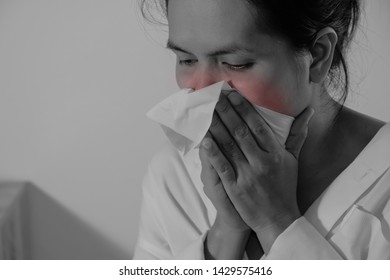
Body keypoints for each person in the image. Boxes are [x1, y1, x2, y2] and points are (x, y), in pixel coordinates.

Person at [134, 0, 390, 259]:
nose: (201, 89)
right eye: (187, 60)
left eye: (236, 64)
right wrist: (226, 233)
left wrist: (277, 222)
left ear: (318, 55)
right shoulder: (173, 174)